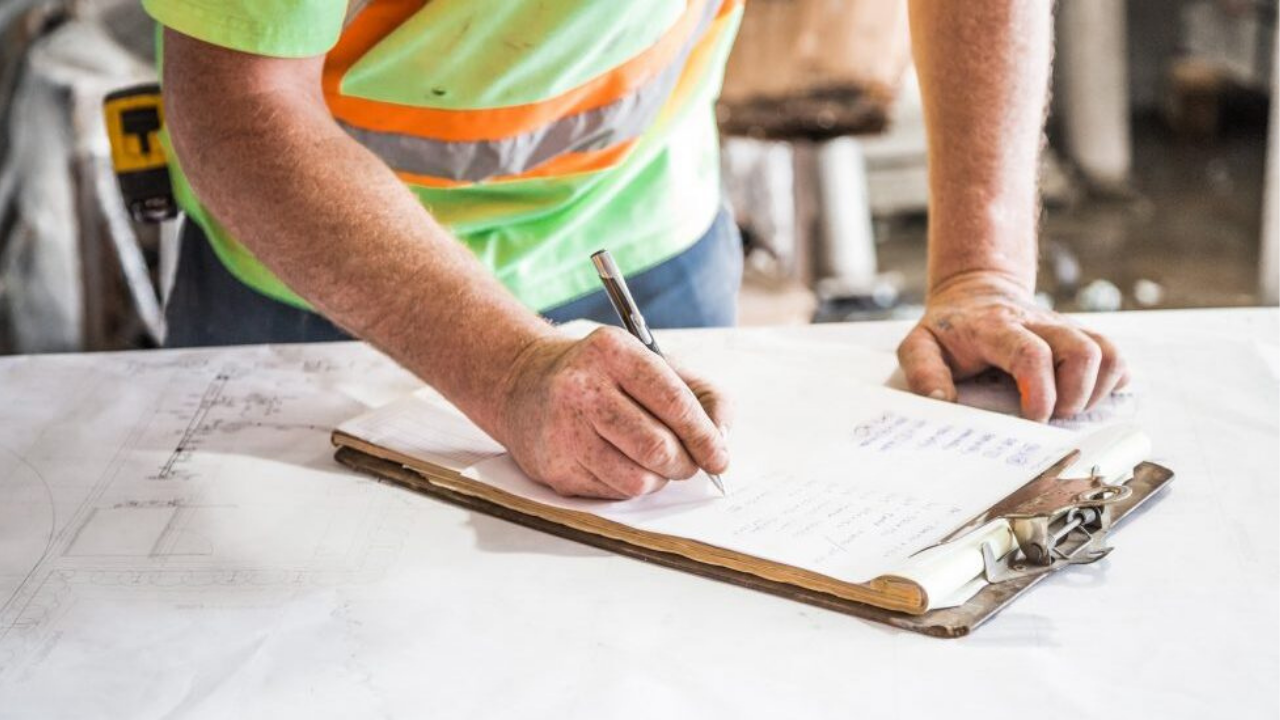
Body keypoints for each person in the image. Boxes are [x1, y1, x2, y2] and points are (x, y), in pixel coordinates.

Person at [147, 0, 1127, 500]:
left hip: (646, 239)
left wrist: (980, 272)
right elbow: (238, 103)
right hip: (318, 285)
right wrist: (506, 365)